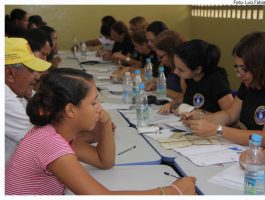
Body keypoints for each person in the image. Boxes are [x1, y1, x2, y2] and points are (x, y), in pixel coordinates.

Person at [5, 68, 196, 195]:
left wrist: (105, 122)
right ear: (71, 110)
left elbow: (104, 161)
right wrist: (172, 191)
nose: (99, 107)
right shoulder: (50, 144)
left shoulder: (53, 132)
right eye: (94, 102)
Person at [182, 32, 265, 149]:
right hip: (247, 149)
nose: (239, 75)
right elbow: (230, 114)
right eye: (236, 67)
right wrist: (201, 118)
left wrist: (217, 130)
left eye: (244, 69)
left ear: (262, 66)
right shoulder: (250, 83)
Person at [5, 37, 52, 165]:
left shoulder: (18, 92)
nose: (37, 76)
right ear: (10, 74)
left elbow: (49, 107)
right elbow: (45, 143)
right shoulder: (4, 99)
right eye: (32, 70)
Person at [159, 39, 233, 115]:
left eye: (181, 70)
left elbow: (231, 118)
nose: (175, 72)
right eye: (176, 67)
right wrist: (171, 104)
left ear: (198, 69)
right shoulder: (189, 77)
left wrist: (198, 113)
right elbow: (187, 99)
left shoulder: (217, 80)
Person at [150, 30, 185, 99]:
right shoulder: (171, 65)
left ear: (171, 52)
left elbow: (187, 98)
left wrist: (165, 91)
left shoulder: (185, 67)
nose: (161, 61)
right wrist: (157, 85)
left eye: (161, 57)